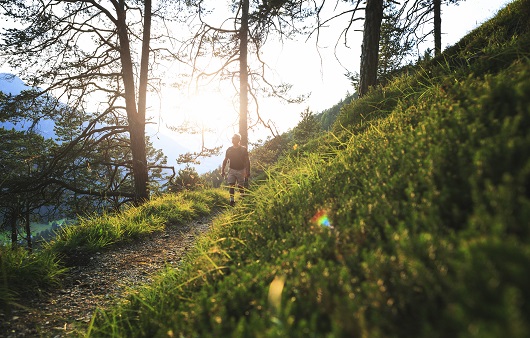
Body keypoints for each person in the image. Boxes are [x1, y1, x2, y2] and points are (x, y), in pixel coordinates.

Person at [221, 133, 250, 206]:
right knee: (231, 185)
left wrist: (247, 171)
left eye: (234, 138)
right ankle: (232, 201)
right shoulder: (229, 150)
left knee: (240, 186)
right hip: (232, 170)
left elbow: (247, 161)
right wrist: (222, 170)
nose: (233, 139)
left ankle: (242, 197)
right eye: (232, 138)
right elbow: (225, 160)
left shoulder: (243, 149)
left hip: (241, 170)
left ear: (238, 140)